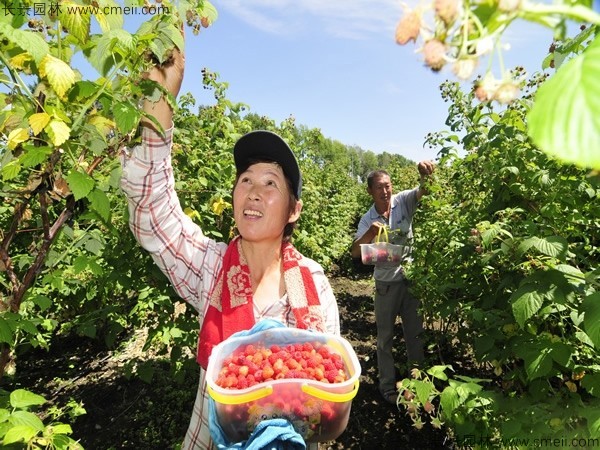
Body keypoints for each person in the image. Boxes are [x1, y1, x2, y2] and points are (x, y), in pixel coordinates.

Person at [120, 47, 340, 449]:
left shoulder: (314, 285)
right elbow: (151, 209)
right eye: (245, 180)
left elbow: (330, 395)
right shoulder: (211, 266)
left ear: (294, 210)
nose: (254, 192)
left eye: (271, 183)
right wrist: (160, 103)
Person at [350, 164, 434, 405]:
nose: (385, 191)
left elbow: (423, 191)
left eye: (387, 186)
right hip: (386, 286)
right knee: (385, 338)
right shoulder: (368, 219)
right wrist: (369, 235)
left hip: (411, 281)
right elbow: (356, 252)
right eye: (379, 187)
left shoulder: (404, 201)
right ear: (370, 191)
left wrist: (425, 176)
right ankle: (387, 388)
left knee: (414, 336)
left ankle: (418, 386)